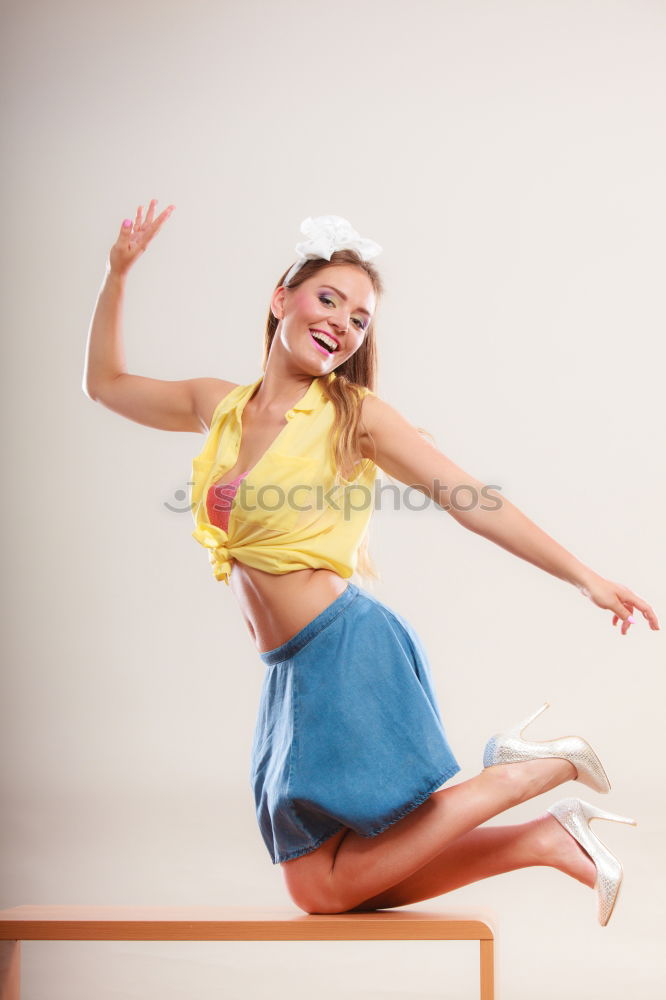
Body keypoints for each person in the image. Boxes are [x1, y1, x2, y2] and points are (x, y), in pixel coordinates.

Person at [83, 201, 660, 925]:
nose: (343, 325)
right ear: (280, 298)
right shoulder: (219, 406)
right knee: (332, 885)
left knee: (324, 886)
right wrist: (117, 273)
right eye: (330, 300)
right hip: (291, 669)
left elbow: (470, 500)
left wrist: (586, 577)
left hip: (345, 652)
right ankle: (542, 837)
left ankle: (523, 775)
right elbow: (105, 386)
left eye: (360, 319)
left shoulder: (355, 416)